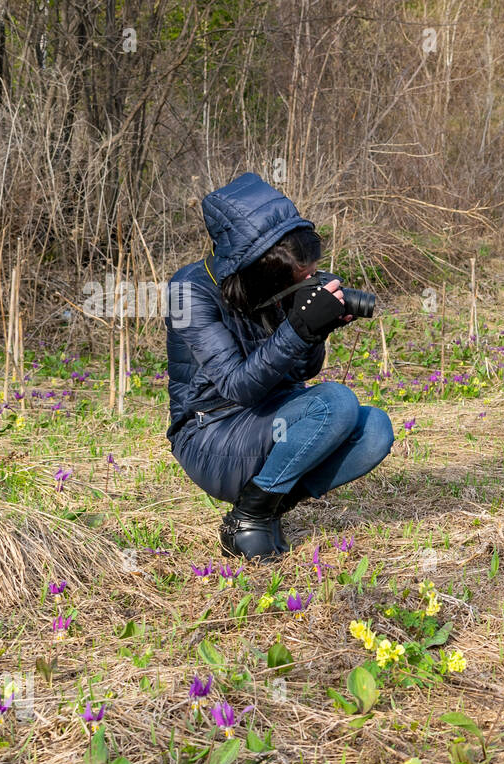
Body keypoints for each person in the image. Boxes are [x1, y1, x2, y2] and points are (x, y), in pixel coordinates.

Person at [164, 172, 394, 561]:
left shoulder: (271, 289)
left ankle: (260, 508)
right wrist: (298, 329)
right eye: (299, 276)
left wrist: (314, 330)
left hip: (270, 418)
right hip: (211, 434)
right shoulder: (187, 292)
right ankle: (248, 519)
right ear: (261, 268)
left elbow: (303, 373)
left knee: (375, 429)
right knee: (336, 402)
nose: (306, 279)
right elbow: (237, 386)